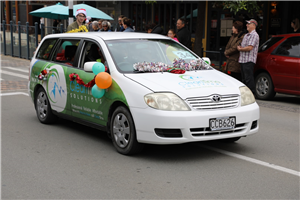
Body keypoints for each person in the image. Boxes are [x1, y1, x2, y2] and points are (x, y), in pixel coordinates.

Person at [237, 19, 260, 95]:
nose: (247, 25)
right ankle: (246, 95)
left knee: (248, 78)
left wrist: (241, 49)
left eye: (249, 24)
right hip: (243, 60)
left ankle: (252, 94)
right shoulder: (246, 35)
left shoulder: (254, 35)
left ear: (254, 25)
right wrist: (241, 47)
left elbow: (250, 47)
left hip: (249, 60)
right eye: (247, 24)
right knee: (244, 79)